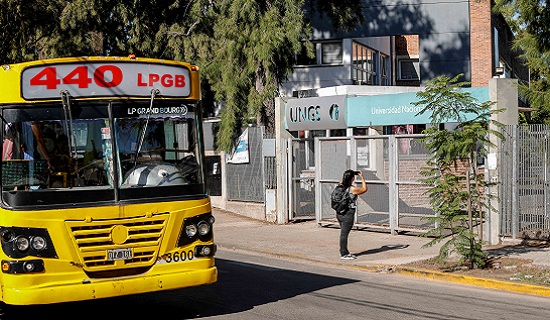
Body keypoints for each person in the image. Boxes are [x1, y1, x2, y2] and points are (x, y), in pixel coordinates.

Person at [335, 169, 367, 260]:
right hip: (348, 214)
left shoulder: (340, 186)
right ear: (352, 178)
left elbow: (341, 181)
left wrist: (347, 176)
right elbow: (364, 189)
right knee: (344, 234)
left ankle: (344, 252)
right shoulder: (352, 189)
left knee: (343, 233)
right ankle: (344, 253)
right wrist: (362, 177)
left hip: (339, 212)